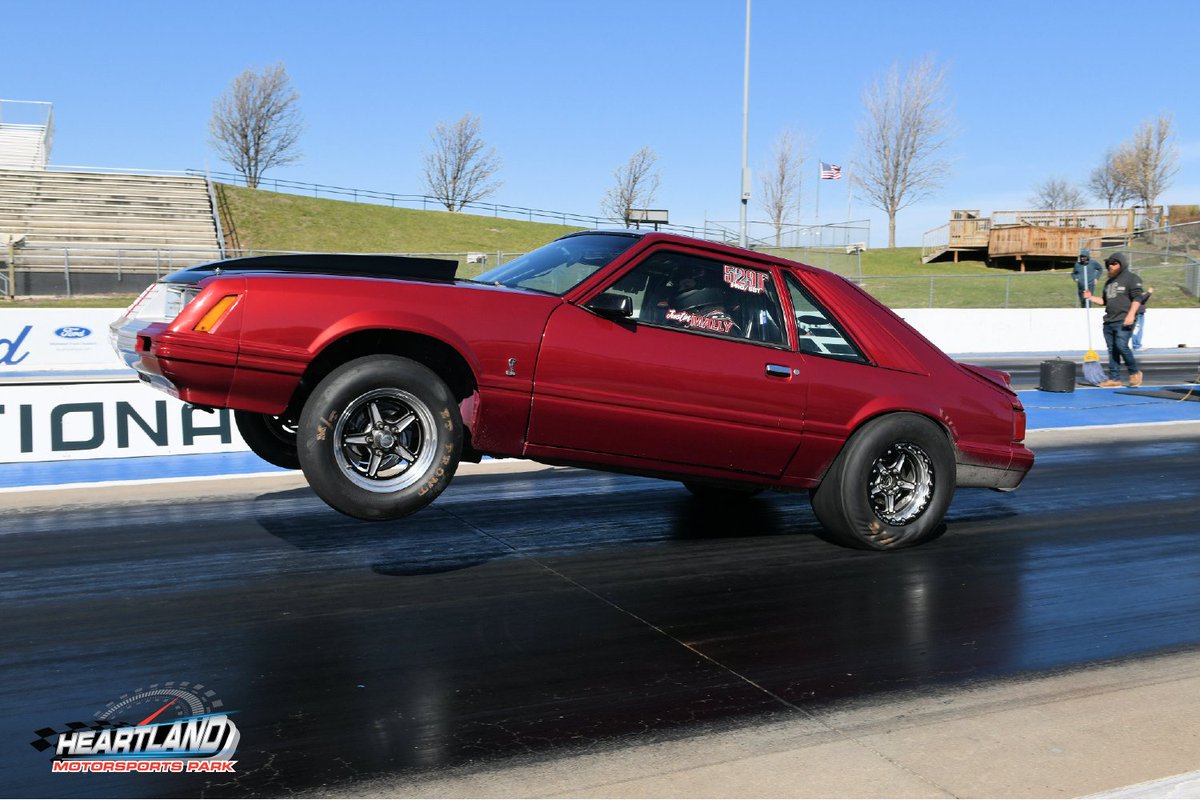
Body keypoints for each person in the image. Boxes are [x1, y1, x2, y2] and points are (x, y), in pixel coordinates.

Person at [1082, 252, 1150, 388]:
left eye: (1114, 263)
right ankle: (1114, 378)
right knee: (1112, 350)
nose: (1110, 267)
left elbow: (1137, 298)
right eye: (1108, 264)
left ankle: (1134, 372)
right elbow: (1104, 301)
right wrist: (1090, 297)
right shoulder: (1109, 283)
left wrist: (1131, 315)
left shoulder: (1131, 278)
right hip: (1109, 321)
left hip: (1124, 319)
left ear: (1121, 264)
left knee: (1121, 346)